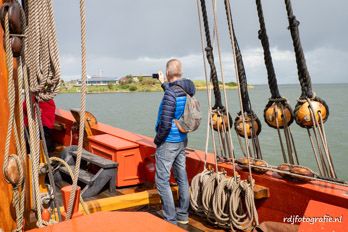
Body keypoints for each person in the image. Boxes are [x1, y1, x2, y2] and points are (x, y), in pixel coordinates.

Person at [154, 59, 196, 225]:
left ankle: (170, 219)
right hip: (182, 139)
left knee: (162, 180)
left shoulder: (170, 94)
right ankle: (183, 215)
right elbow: (174, 93)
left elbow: (164, 124)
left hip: (168, 141)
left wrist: (157, 140)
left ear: (168, 72)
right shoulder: (188, 89)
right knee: (181, 176)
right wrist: (163, 83)